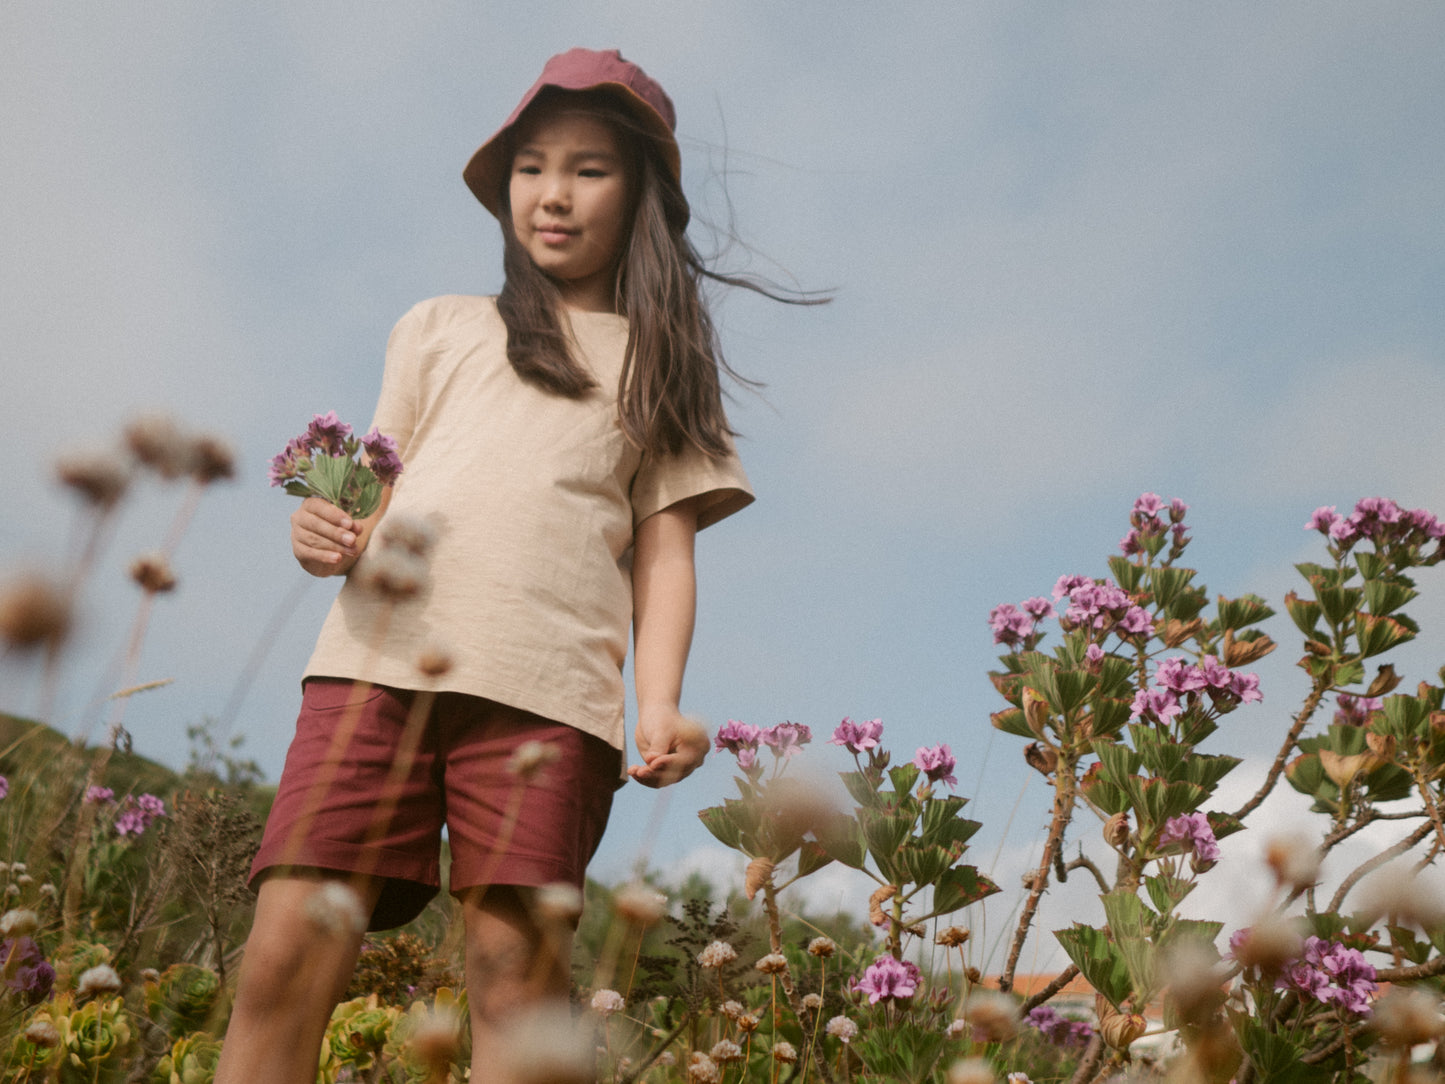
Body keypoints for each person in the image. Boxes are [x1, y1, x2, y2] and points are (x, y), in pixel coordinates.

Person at [215, 48, 817, 1083]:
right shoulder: (438, 327)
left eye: (589, 169)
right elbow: (371, 488)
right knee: (285, 951)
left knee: (512, 977)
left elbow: (664, 549)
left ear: (640, 193)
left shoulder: (660, 363)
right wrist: (320, 529)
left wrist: (660, 700)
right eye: (531, 165)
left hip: (549, 698)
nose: (553, 192)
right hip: (372, 667)